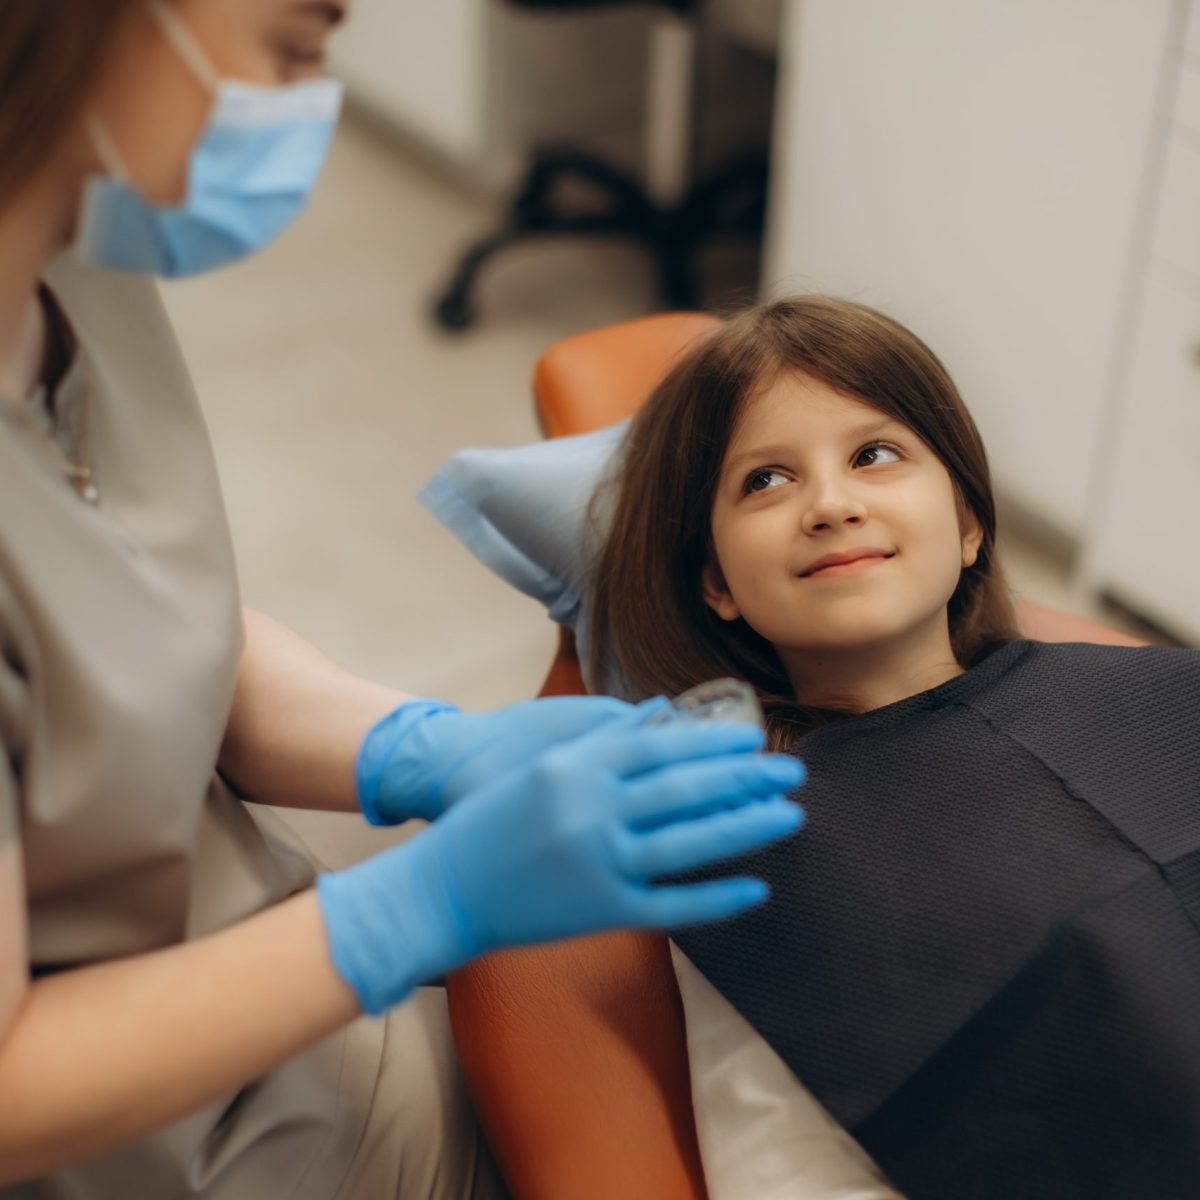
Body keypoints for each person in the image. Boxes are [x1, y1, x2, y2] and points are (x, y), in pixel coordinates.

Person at [0, 2, 808, 1196]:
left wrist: (421, 748)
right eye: (294, 45)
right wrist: (417, 907)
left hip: (293, 1028)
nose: (315, 88)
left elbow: (145, 634)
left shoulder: (70, 258)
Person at [586, 295, 1200, 1199]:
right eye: (765, 481)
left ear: (967, 521)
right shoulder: (753, 858)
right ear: (715, 581)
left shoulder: (1170, 693)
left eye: (874, 455)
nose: (831, 505)